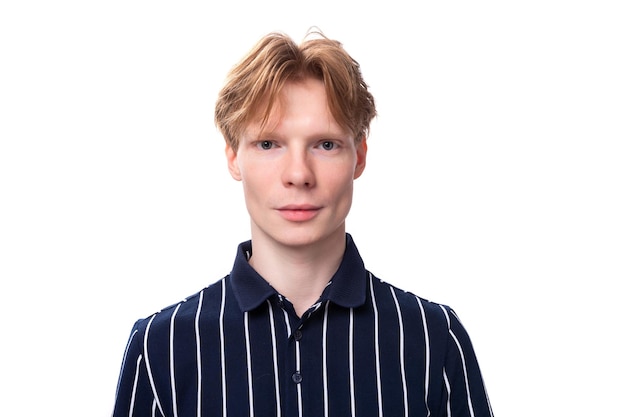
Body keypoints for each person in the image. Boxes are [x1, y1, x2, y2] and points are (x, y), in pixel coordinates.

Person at [112, 30, 494, 417]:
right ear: (233, 157)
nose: (298, 174)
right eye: (268, 144)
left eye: (325, 144)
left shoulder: (433, 338)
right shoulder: (161, 346)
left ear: (359, 156)